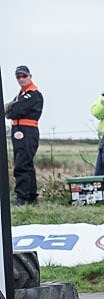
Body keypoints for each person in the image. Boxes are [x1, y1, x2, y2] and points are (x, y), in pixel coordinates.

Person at [4, 65, 43, 205]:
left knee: (22, 164)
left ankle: (22, 196)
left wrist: (11, 108)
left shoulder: (33, 94)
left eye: (24, 76)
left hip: (27, 130)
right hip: (19, 128)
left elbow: (15, 110)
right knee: (25, 163)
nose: (21, 79)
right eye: (18, 77)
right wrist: (11, 109)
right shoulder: (21, 94)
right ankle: (30, 195)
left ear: (30, 76)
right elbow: (10, 111)